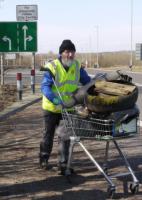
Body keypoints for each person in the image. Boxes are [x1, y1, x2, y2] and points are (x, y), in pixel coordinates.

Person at [39, 39, 91, 174]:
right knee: (48, 135)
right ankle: (44, 158)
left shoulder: (77, 67)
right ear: (61, 53)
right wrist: (55, 100)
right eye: (67, 52)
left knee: (65, 136)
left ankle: (62, 164)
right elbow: (44, 87)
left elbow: (88, 83)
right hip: (51, 107)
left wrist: (92, 93)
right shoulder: (52, 67)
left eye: (72, 52)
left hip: (68, 108)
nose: (70, 55)